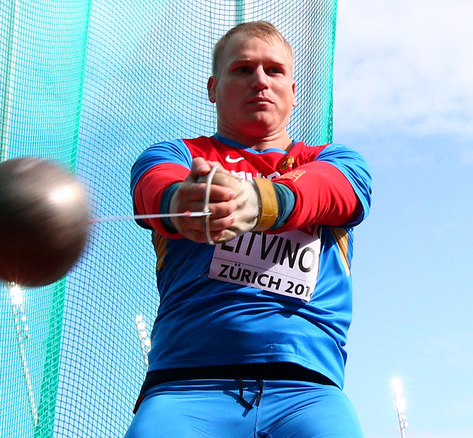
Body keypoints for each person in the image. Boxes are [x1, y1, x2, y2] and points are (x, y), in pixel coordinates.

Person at [127, 21, 371, 438]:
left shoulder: (336, 160)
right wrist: (184, 201)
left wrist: (258, 203)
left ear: (293, 92)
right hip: (184, 389)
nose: (260, 80)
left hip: (307, 394)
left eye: (274, 70)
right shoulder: (177, 156)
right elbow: (155, 190)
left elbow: (337, 191)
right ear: (213, 88)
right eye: (242, 69)